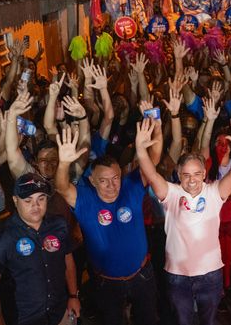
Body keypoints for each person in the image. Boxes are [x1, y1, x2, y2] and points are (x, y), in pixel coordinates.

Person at [134, 114, 231, 325]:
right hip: (178, 276)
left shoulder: (214, 192)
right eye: (186, 174)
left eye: (196, 174)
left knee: (209, 321)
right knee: (183, 321)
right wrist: (141, 150)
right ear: (178, 174)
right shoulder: (172, 193)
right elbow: (150, 174)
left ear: (204, 173)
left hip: (210, 275)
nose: (192, 180)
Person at [54, 127, 158, 325]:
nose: (112, 186)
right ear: (92, 181)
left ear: (121, 175)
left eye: (115, 178)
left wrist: (154, 132)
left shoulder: (131, 186)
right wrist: (64, 163)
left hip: (142, 276)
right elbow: (62, 187)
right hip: (107, 283)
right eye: (103, 181)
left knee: (148, 319)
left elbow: (154, 158)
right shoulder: (85, 199)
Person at [0, 172, 81, 325]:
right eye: (28, 200)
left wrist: (73, 296)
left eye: (41, 199)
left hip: (61, 311)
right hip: (25, 319)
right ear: (15, 201)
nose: (35, 206)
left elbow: (67, 260)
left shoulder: (59, 225)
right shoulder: (3, 236)